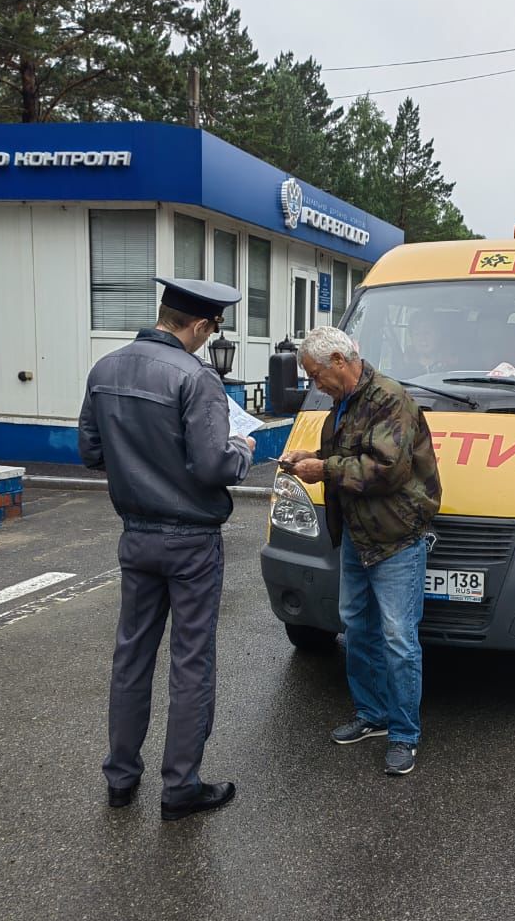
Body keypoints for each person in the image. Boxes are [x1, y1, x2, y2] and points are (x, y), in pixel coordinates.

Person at [78, 277, 256, 821]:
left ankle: (120, 780)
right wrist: (242, 449)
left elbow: (89, 451)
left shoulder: (104, 369)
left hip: (136, 534)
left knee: (131, 656)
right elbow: (213, 466)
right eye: (213, 330)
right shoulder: (195, 379)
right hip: (192, 541)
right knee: (191, 662)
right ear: (199, 326)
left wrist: (139, 471)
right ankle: (180, 787)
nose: (211, 339)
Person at [281, 327, 441, 776]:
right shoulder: (346, 401)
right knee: (357, 626)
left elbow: (386, 469)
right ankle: (372, 716)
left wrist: (323, 468)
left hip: (395, 538)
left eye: (315, 375)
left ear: (338, 359)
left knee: (398, 638)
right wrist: (308, 455)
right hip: (358, 533)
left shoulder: (389, 398)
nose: (315, 384)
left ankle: (404, 735)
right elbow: (351, 454)